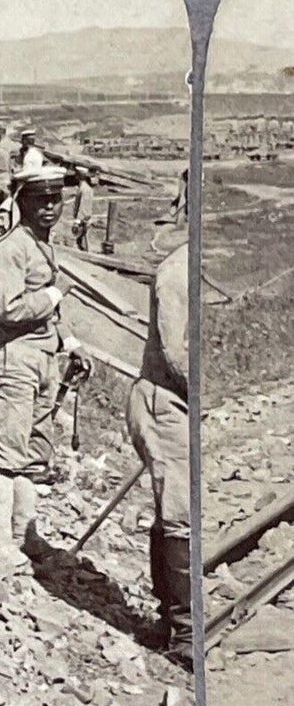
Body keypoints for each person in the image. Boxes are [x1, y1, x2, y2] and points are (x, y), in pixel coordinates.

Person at [0, 168, 84, 571]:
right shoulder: (9, 249)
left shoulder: (42, 245)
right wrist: (55, 293)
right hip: (15, 360)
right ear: (21, 200)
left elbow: (49, 313)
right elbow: (7, 311)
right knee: (6, 455)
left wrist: (70, 343)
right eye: (40, 200)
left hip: (43, 359)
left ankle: (25, 534)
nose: (50, 208)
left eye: (55, 200)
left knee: (34, 454)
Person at [127, 244, 191, 664]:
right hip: (163, 402)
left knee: (174, 512)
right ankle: (183, 633)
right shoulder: (175, 271)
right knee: (178, 515)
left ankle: (173, 622)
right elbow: (175, 355)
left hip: (177, 401)